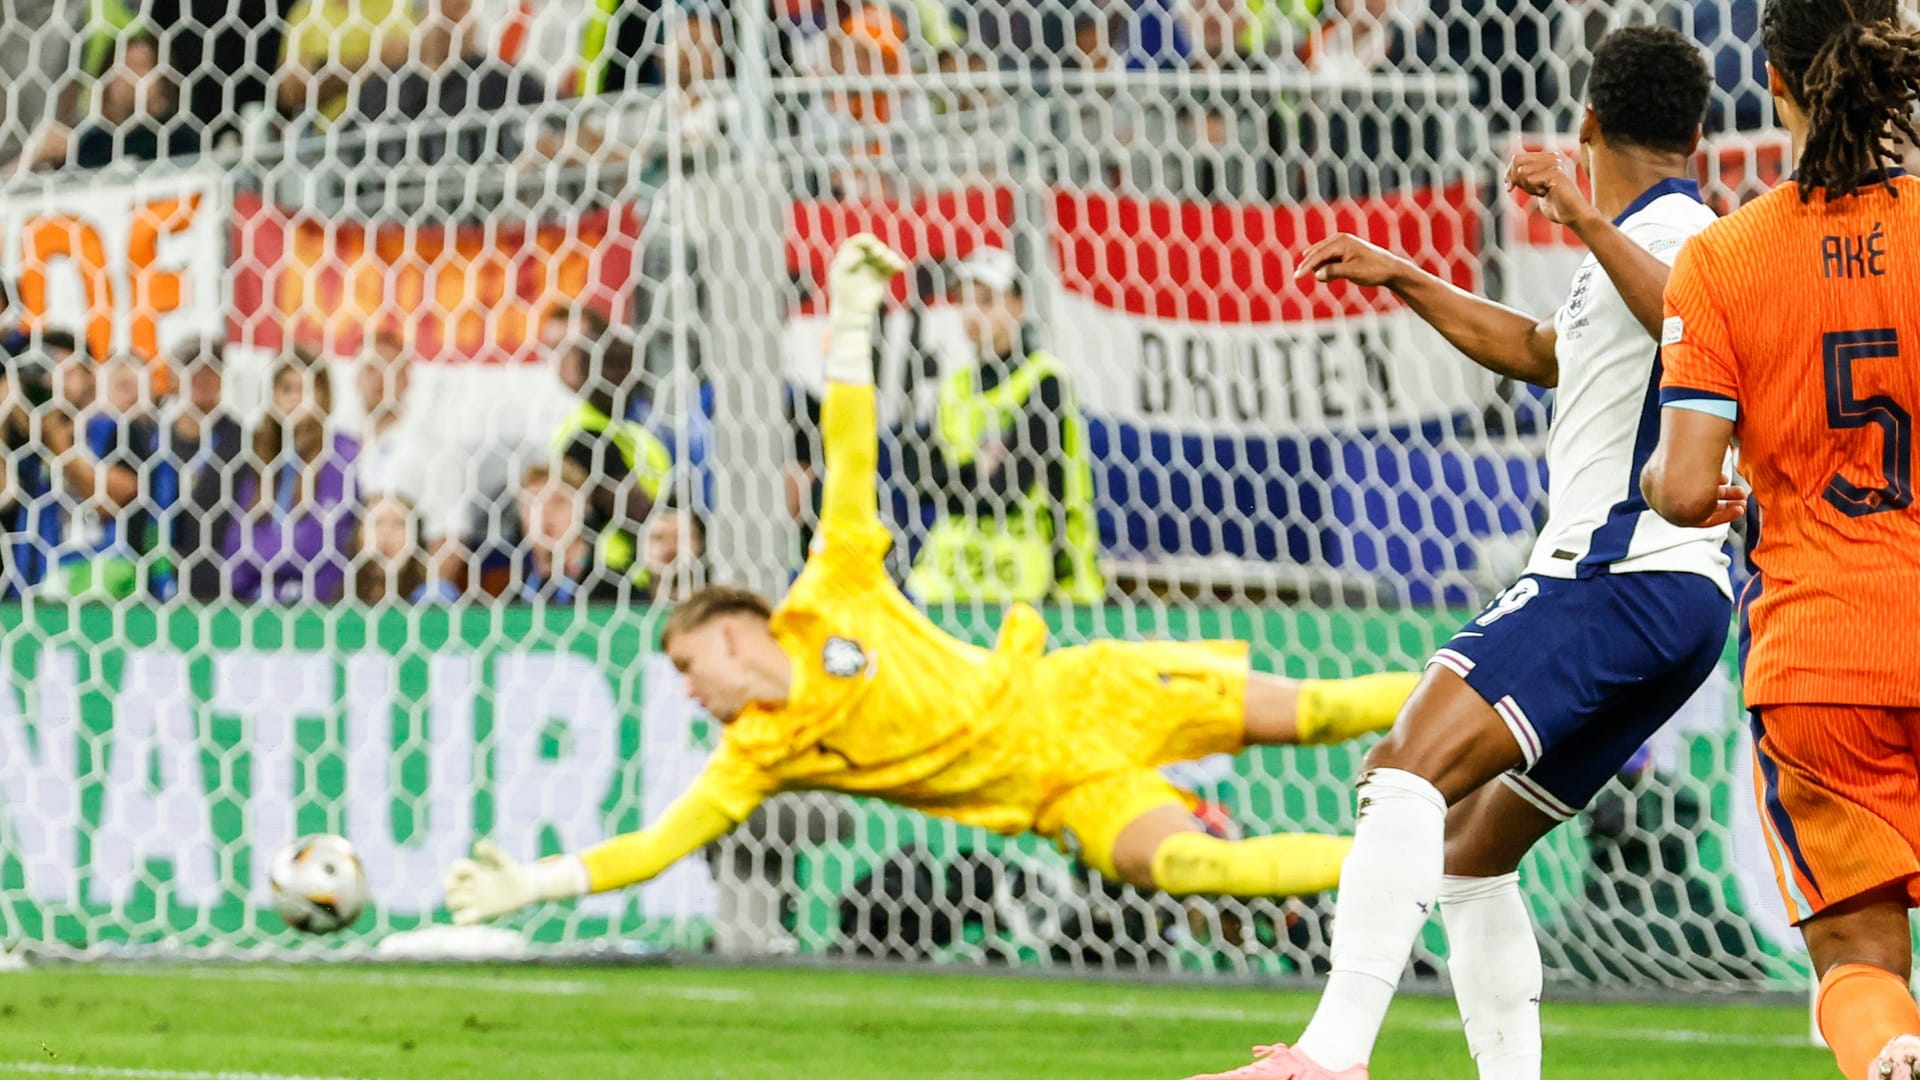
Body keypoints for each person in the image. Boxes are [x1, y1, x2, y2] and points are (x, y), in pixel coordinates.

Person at [444, 235, 1418, 923]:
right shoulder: (761, 754)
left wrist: (855, 326)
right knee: (1191, 865)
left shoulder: (831, 590)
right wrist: (540, 883)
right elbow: (653, 845)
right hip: (1059, 795)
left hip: (1089, 689)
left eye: (692, 666)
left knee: (1330, 710)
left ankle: (1513, 701)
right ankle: (1432, 867)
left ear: (740, 634)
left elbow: (849, 452)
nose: (689, 690)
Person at [1188, 28, 1725, 1080]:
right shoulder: (1641, 243)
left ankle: (1329, 1058)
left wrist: (1571, 209)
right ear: (1698, 134)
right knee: (1470, 854)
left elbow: (1689, 318)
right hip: (1674, 602)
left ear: (1587, 127)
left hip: (1613, 575)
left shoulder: (1687, 239)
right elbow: (1539, 353)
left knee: (1401, 773)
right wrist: (1404, 276)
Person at [1640, 2, 1920, 1076]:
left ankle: (1890, 1052)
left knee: (1855, 956)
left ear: (1773, 81)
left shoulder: (1722, 259)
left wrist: (1699, 496)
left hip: (1818, 658)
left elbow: (1681, 480)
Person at [901, 246, 1103, 605]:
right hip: (950, 575)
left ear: (1017, 306)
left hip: (1031, 578)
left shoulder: (1045, 381)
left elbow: (1007, 490)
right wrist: (977, 468)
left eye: (987, 300)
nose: (972, 313)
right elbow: (921, 481)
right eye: (964, 301)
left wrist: (958, 478)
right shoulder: (954, 386)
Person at [218, 349, 359, 603]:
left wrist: (262, 564)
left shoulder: (342, 454)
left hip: (319, 604)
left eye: (304, 390)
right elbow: (235, 545)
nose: (295, 399)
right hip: (253, 602)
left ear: (323, 396)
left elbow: (319, 542)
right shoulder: (260, 454)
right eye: (285, 389)